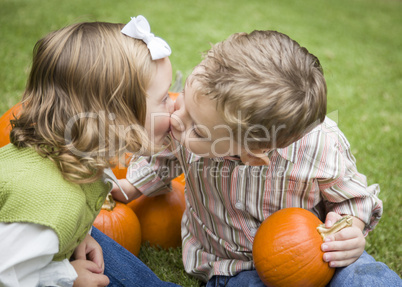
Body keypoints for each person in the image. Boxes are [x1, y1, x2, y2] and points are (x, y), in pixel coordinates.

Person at [113, 30, 402, 286]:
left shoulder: (322, 147)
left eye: (197, 130)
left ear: (253, 156)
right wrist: (127, 189)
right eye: (184, 98)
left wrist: (351, 229)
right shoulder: (194, 121)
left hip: (317, 254)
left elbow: (354, 199)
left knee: (369, 280)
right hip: (232, 264)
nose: (176, 119)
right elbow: (163, 159)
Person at [0, 15, 179, 287]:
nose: (174, 107)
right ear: (118, 118)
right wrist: (65, 277)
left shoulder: (69, 158)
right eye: (164, 98)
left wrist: (78, 234)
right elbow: (7, 276)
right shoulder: (52, 206)